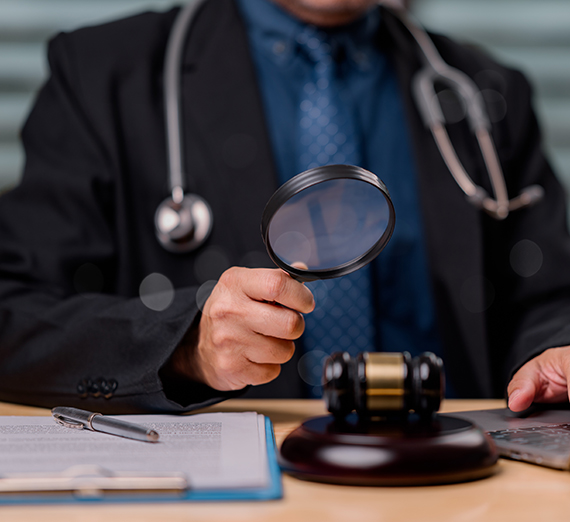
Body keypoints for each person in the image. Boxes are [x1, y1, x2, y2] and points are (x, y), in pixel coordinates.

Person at [1, 0, 570, 414]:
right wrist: (182, 348)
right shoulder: (102, 75)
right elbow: (13, 317)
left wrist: (555, 350)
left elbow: (546, 294)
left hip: (458, 483)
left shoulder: (488, 91)